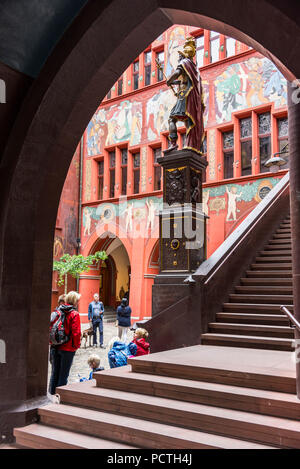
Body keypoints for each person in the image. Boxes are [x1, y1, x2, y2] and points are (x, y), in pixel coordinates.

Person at [164, 37, 205, 155]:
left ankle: (173, 144)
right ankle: (191, 145)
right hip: (192, 98)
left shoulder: (184, 63)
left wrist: (170, 80)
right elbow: (185, 81)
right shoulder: (194, 69)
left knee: (172, 118)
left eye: (180, 56)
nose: (179, 58)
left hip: (185, 96)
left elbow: (177, 74)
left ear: (184, 55)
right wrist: (174, 82)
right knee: (188, 122)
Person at [49, 291, 81, 395]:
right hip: (67, 349)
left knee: (54, 373)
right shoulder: (74, 314)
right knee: (63, 375)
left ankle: (51, 395)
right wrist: (76, 346)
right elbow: (76, 333)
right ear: (75, 301)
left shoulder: (58, 311)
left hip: (55, 346)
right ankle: (59, 396)